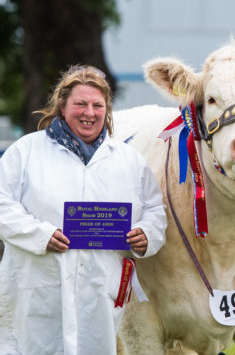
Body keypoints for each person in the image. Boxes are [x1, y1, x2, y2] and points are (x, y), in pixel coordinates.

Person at [0, 65, 167, 354]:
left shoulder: (128, 160)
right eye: (80, 104)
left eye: (97, 105)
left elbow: (155, 211)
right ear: (62, 106)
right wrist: (41, 235)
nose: (89, 112)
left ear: (107, 110)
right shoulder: (26, 151)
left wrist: (146, 234)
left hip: (99, 291)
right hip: (37, 288)